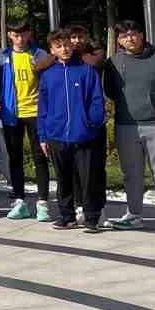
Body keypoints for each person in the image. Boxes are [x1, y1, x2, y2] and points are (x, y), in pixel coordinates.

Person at [104, 19, 155, 236]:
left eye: (134, 33)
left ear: (142, 35)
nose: (130, 38)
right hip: (126, 125)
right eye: (124, 35)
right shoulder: (114, 62)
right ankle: (134, 214)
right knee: (131, 174)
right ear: (119, 40)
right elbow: (110, 90)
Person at [38, 29, 109, 233]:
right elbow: (43, 106)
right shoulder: (48, 75)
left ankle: (92, 217)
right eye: (59, 46)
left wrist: (92, 123)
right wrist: (43, 135)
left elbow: (96, 100)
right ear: (52, 50)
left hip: (84, 135)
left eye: (67, 45)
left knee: (89, 178)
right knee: (63, 178)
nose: (64, 49)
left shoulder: (87, 71)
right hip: (56, 135)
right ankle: (66, 215)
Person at [0, 21, 55, 221]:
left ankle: (42, 203)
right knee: (14, 159)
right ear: (9, 35)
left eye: (23, 34)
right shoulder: (3, 56)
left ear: (29, 34)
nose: (20, 38)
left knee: (40, 157)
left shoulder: (40, 55)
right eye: (15, 35)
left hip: (36, 112)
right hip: (12, 113)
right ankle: (20, 201)